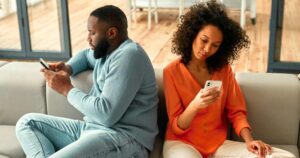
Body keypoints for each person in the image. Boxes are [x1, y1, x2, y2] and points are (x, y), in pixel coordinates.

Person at [15, 5, 158, 158]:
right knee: (27, 123)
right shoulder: (106, 51)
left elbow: (106, 115)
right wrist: (67, 68)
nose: (87, 38)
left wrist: (66, 89)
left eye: (92, 33)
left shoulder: (129, 56)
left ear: (112, 33)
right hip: (90, 129)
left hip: (124, 139)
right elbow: (84, 56)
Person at [162, 1, 295, 158]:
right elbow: (177, 126)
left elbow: (236, 112)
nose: (207, 49)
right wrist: (196, 104)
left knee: (283, 157)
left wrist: (249, 141)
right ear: (192, 34)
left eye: (215, 45)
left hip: (218, 144)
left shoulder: (223, 70)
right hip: (182, 144)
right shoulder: (171, 72)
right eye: (204, 40)